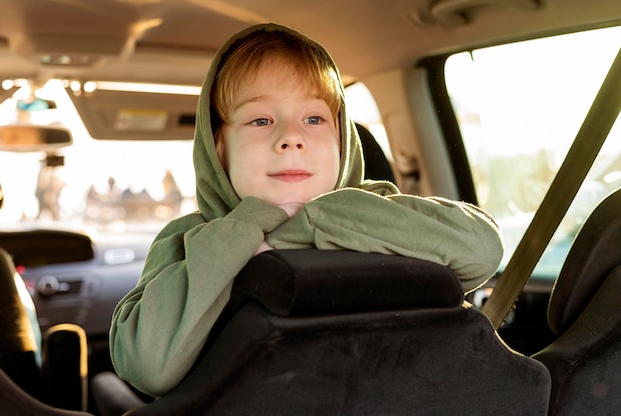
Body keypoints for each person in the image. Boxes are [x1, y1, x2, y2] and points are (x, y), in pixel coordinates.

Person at [109, 23, 504, 397]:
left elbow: (481, 249)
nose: (291, 137)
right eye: (261, 119)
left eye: (314, 118)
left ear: (341, 139)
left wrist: (308, 220)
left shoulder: (381, 212)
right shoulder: (189, 240)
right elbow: (147, 367)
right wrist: (248, 224)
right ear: (220, 148)